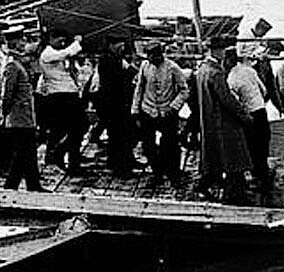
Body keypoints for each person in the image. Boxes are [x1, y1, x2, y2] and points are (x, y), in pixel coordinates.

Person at [195, 36, 252, 204]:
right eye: (222, 50)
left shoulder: (202, 69)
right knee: (235, 160)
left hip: (209, 120)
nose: (223, 53)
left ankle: (205, 185)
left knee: (213, 157)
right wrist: (244, 116)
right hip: (223, 123)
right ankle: (234, 196)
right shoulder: (216, 72)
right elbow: (227, 100)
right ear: (216, 51)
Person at [131, 41, 188, 185]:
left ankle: (174, 175)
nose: (150, 59)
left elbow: (184, 90)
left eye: (153, 56)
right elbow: (139, 88)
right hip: (147, 110)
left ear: (160, 55)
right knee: (148, 146)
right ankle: (157, 174)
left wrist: (174, 107)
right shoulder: (144, 66)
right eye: (148, 55)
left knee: (171, 145)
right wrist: (135, 110)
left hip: (166, 113)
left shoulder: (173, 68)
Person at [1, 27, 48, 192]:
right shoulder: (13, 66)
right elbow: (7, 94)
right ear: (14, 42)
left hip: (25, 116)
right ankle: (14, 186)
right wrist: (5, 114)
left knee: (27, 153)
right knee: (24, 153)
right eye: (22, 40)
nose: (24, 43)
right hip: (18, 117)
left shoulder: (19, 63)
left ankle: (31, 184)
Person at [38, 28, 87, 174]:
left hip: (70, 95)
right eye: (60, 40)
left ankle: (69, 157)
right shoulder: (48, 53)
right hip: (60, 96)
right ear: (51, 39)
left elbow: (71, 69)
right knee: (73, 128)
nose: (63, 43)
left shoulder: (58, 55)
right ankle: (62, 155)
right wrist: (76, 43)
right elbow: (65, 53)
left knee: (79, 128)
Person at [228, 42, 271, 201]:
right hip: (261, 111)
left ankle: (258, 179)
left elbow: (235, 103)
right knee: (263, 148)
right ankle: (264, 179)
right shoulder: (250, 71)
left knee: (252, 149)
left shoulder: (231, 78)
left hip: (250, 115)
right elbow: (264, 92)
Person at [96, 36, 140, 176]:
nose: (121, 49)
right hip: (113, 103)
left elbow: (131, 72)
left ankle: (127, 159)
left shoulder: (118, 59)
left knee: (126, 133)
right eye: (119, 47)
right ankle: (120, 166)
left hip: (120, 102)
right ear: (111, 45)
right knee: (117, 135)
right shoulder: (106, 60)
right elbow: (119, 78)